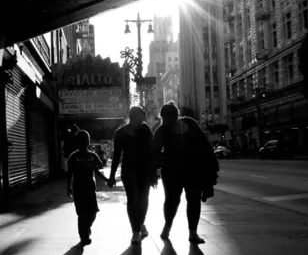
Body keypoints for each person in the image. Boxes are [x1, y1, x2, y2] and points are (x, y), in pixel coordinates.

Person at [152, 101, 219, 244]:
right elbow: (154, 153)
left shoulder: (190, 123)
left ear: (175, 116)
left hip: (193, 170)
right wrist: (152, 172)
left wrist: (210, 168)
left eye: (166, 119)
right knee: (171, 201)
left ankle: (193, 233)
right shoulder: (161, 130)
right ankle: (167, 226)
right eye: (162, 119)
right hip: (171, 172)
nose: (164, 122)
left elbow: (205, 145)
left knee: (194, 200)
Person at [108, 106, 157, 245]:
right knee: (132, 200)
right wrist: (112, 176)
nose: (142, 120)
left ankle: (141, 223)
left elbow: (152, 151)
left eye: (143, 118)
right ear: (132, 117)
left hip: (145, 171)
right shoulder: (120, 133)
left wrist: (153, 173)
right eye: (140, 118)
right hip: (129, 172)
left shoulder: (145, 129)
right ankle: (135, 231)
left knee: (144, 200)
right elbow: (116, 156)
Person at [67, 130, 109, 245]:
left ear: (89, 141)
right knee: (81, 214)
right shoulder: (73, 156)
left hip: (90, 189)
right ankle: (84, 236)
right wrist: (68, 187)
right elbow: (69, 173)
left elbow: (97, 171)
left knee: (93, 212)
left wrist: (108, 180)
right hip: (78, 189)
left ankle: (86, 227)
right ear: (78, 142)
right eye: (82, 140)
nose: (84, 142)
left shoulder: (93, 156)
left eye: (86, 140)